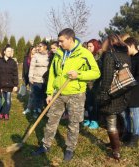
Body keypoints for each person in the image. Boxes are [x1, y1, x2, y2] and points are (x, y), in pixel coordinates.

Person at [32, 28, 100, 162]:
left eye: (62, 41)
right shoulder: (58, 53)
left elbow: (96, 72)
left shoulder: (84, 53)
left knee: (73, 123)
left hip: (76, 94)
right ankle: (46, 145)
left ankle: (70, 148)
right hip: (58, 93)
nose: (60, 43)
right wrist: (49, 92)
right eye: (59, 41)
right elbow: (52, 74)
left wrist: (79, 75)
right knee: (52, 119)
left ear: (70, 39)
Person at [96, 34, 131, 160]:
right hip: (123, 91)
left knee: (111, 123)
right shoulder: (126, 55)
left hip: (112, 93)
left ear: (108, 42)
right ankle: (114, 142)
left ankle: (116, 151)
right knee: (118, 118)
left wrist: (103, 95)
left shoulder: (109, 56)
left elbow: (106, 78)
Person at [122, 37, 139, 147]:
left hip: (136, 91)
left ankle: (135, 135)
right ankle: (127, 132)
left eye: (126, 47)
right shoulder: (129, 58)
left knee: (134, 115)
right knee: (125, 113)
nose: (125, 50)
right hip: (127, 90)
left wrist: (132, 82)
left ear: (132, 45)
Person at [27, 42, 50, 118]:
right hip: (36, 79)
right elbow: (32, 67)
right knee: (37, 96)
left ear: (45, 47)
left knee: (44, 96)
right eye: (38, 46)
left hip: (46, 80)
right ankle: (36, 111)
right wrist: (30, 77)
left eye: (40, 46)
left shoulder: (49, 55)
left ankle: (44, 111)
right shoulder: (35, 56)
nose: (38, 48)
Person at [83, 39, 102, 129]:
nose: (89, 48)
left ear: (95, 46)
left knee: (94, 103)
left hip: (96, 84)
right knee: (88, 102)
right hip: (87, 82)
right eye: (88, 46)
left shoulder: (99, 57)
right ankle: (89, 118)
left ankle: (95, 120)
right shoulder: (87, 56)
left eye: (91, 46)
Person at [0, 44, 18, 120]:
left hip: (9, 85)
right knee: (1, 101)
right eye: (8, 51)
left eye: (11, 51)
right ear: (4, 52)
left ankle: (6, 113)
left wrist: (15, 85)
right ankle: (1, 113)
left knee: (8, 101)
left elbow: (15, 74)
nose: (10, 52)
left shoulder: (13, 62)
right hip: (1, 85)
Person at [22, 46, 36, 114]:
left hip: (36, 78)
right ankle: (29, 108)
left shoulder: (37, 57)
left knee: (34, 94)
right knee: (31, 93)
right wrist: (24, 77)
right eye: (33, 50)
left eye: (35, 50)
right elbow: (24, 68)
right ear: (30, 50)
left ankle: (35, 108)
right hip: (29, 77)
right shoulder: (26, 58)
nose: (35, 51)